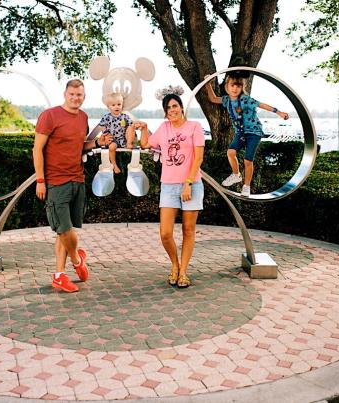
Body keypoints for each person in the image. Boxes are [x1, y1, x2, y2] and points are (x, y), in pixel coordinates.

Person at [33, 79, 112, 293]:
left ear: (83, 97)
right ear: (65, 94)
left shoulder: (84, 117)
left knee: (64, 231)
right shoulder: (49, 116)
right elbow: (37, 149)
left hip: (77, 179)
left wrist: (97, 143)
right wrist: (41, 180)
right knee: (64, 228)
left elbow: (80, 147)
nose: (75, 98)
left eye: (79, 95)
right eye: (72, 94)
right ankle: (77, 260)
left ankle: (59, 275)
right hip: (55, 181)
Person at [136, 85, 205, 288]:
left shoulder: (194, 127)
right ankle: (174, 265)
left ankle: (183, 272)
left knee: (188, 230)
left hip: (191, 185)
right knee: (165, 233)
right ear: (165, 112)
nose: (172, 110)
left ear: (181, 107)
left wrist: (188, 183)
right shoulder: (164, 128)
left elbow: (198, 157)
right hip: (168, 186)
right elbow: (146, 145)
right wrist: (142, 128)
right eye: (168, 108)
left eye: (175, 106)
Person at [205, 74, 289, 196]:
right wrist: (208, 83)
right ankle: (236, 175)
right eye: (232, 85)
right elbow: (213, 99)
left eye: (238, 86)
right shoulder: (226, 100)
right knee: (231, 152)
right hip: (241, 133)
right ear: (227, 87)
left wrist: (279, 112)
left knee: (247, 160)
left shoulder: (246, 100)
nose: (235, 88)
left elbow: (262, 105)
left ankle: (246, 186)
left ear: (242, 88)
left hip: (254, 132)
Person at [95, 92, 136, 173]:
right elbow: (102, 126)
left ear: (122, 105)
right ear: (108, 107)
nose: (116, 107)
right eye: (113, 105)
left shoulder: (125, 117)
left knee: (131, 127)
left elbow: (131, 125)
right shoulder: (107, 117)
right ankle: (114, 165)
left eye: (119, 104)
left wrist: (131, 128)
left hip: (123, 139)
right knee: (112, 147)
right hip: (112, 139)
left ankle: (129, 143)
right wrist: (106, 133)